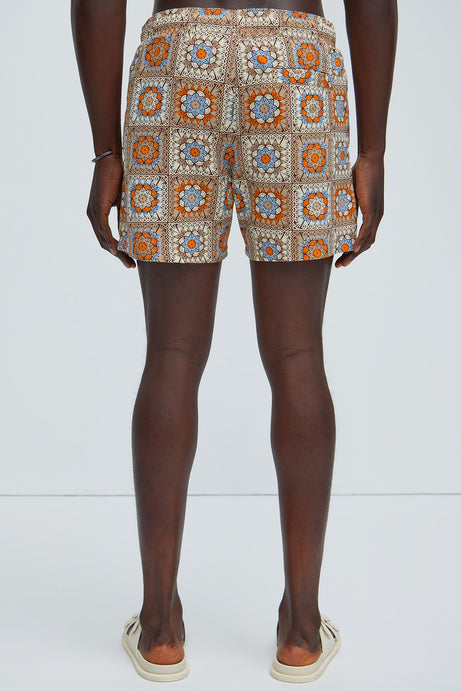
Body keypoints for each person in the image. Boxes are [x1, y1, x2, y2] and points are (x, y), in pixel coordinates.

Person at [71, 0, 397, 683]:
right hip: (294, 65)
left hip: (178, 59)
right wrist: (372, 149)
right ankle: (301, 632)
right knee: (299, 356)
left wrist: (106, 151)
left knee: (170, 355)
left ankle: (159, 629)